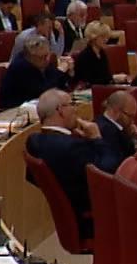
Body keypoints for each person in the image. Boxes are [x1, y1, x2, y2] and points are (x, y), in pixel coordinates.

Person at [26, 89, 121, 226]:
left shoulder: (33, 141)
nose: (76, 110)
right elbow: (111, 169)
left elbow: (32, 177)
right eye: (72, 104)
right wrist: (96, 138)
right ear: (60, 110)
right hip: (92, 218)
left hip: (68, 217)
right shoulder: (72, 147)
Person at [0, 36, 72, 108]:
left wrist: (69, 72)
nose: (46, 59)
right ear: (30, 57)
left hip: (34, 105)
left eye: (47, 55)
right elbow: (43, 92)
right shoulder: (20, 66)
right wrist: (60, 71)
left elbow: (59, 85)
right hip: (14, 109)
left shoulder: (42, 62)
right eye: (42, 57)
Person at [71, 21, 128, 87]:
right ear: (94, 38)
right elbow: (90, 81)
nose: (106, 40)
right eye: (103, 37)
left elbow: (105, 75)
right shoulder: (85, 56)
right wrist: (113, 78)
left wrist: (114, 79)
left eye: (107, 37)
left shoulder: (102, 53)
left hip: (102, 87)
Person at [94, 89, 137, 165]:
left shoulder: (98, 120)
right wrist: (134, 139)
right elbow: (128, 161)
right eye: (130, 116)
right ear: (115, 111)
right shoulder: (110, 132)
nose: (132, 121)